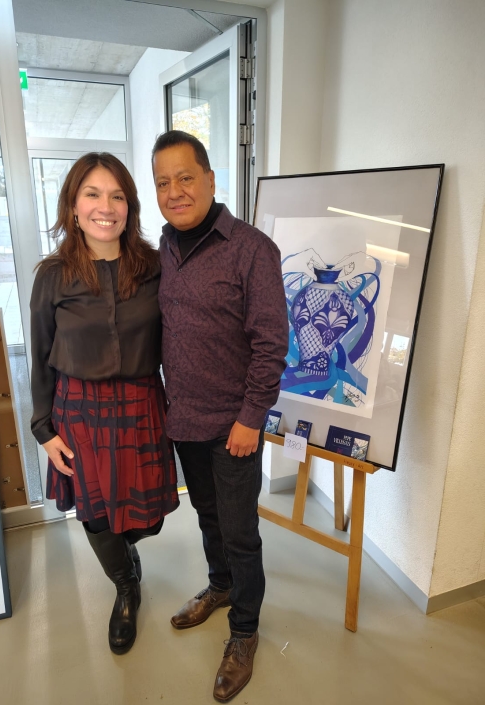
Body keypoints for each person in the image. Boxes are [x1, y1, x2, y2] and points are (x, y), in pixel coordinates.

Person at [152, 130, 289, 702]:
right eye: (163, 182)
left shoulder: (251, 249)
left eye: (186, 177)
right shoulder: (162, 248)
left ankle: (245, 631)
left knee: (240, 532)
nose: (175, 191)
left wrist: (252, 417)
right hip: (184, 419)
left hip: (235, 426)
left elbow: (271, 343)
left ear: (210, 179)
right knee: (208, 518)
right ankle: (220, 587)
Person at [30, 152, 179, 655]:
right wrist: (43, 428)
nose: (105, 206)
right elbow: (40, 355)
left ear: (129, 207)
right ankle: (125, 587)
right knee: (97, 515)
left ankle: (126, 554)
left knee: (146, 519)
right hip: (79, 411)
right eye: (92, 194)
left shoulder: (154, 266)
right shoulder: (52, 275)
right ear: (73, 206)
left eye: (117, 196)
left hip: (141, 404)